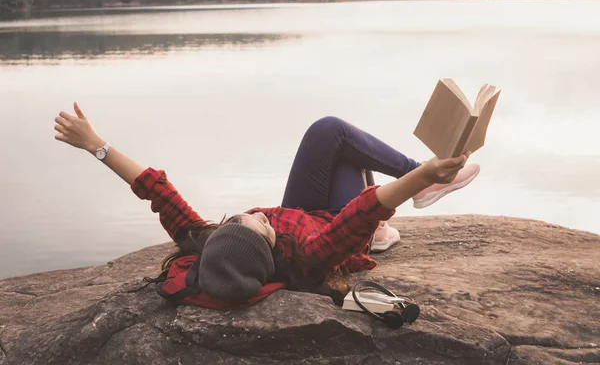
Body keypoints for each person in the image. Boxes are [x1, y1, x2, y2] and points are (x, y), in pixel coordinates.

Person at [54, 103, 479, 308]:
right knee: (347, 154)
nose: (254, 214)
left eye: (238, 219)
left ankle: (390, 218)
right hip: (334, 224)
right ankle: (398, 210)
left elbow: (158, 192)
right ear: (269, 248)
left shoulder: (210, 243)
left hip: (303, 210)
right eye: (257, 224)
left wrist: (95, 144)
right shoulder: (312, 252)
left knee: (327, 130)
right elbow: (362, 210)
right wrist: (425, 176)